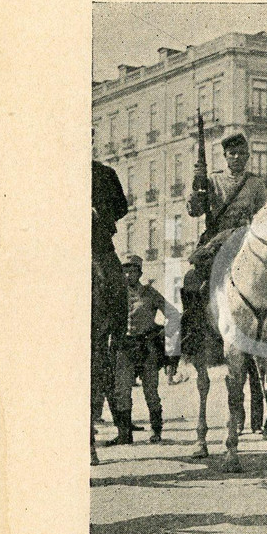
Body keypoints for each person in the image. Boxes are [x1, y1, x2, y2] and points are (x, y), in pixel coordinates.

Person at [182, 131, 267, 353]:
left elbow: (264, 217)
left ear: (248, 156)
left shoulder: (256, 184)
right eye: (232, 153)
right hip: (217, 241)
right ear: (225, 156)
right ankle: (193, 331)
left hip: (246, 240)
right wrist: (197, 185)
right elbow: (195, 211)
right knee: (193, 278)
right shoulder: (213, 180)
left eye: (241, 153)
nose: (237, 157)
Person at [107, 255, 177, 445]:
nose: (128, 275)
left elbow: (173, 314)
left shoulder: (149, 293)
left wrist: (162, 334)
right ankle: (124, 434)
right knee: (121, 391)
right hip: (124, 348)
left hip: (147, 348)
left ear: (140, 273)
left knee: (151, 391)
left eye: (133, 271)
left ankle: (156, 430)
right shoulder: (117, 295)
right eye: (125, 271)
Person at [91, 158, 129, 465]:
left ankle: (119, 331)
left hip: (98, 244)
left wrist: (98, 212)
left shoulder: (104, 173)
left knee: (116, 283)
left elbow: (121, 207)